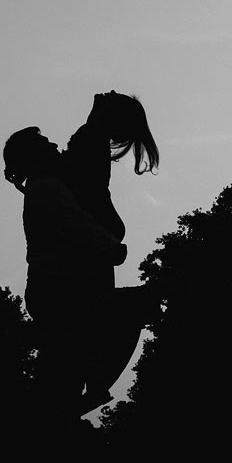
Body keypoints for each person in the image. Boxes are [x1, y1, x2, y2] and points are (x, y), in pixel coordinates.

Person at [3, 126, 128, 434]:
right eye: (46, 143)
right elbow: (79, 224)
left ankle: (53, 423)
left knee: (60, 366)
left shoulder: (40, 187)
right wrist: (112, 247)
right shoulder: (49, 188)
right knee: (66, 366)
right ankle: (49, 426)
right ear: (35, 154)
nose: (55, 145)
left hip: (48, 288)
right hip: (58, 289)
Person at [60, 91, 160, 413]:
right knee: (122, 313)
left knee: (105, 320)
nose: (109, 93)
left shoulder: (90, 140)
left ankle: (94, 382)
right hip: (89, 259)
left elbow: (92, 197)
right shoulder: (90, 141)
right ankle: (96, 383)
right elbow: (91, 198)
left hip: (92, 258)